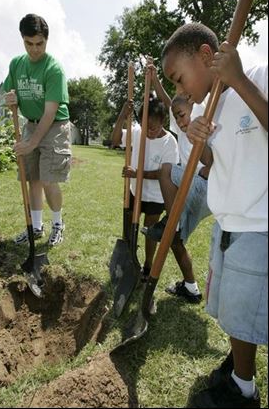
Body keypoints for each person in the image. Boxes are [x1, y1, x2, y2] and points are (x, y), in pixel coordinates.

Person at [162, 22, 267, 408]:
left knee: (245, 308)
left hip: (257, 223)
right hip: (227, 222)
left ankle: (243, 391)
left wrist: (238, 80)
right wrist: (199, 142)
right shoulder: (208, 106)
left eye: (178, 79)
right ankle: (237, 363)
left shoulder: (256, 77)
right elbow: (211, 162)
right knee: (231, 309)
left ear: (206, 57)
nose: (179, 90)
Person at [4, 14, 71, 247]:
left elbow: (50, 112)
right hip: (30, 124)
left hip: (54, 126)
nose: (34, 49)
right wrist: (9, 98)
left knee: (48, 178)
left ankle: (57, 224)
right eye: (29, 43)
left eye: (39, 43)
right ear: (23, 40)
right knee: (32, 179)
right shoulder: (16, 64)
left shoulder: (54, 69)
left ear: (46, 40)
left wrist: (32, 143)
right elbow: (9, 93)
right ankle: (36, 227)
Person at [142, 93, 211, 304]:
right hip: (199, 195)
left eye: (182, 115)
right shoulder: (183, 129)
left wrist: (207, 169)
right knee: (175, 239)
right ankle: (191, 288)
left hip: (203, 188)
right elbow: (170, 102)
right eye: (177, 118)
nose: (181, 121)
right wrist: (153, 80)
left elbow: (217, 159)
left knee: (166, 170)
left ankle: (171, 222)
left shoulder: (203, 123)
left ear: (194, 107)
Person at [112, 94, 179, 282]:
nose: (149, 131)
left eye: (154, 127)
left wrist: (138, 173)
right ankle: (129, 260)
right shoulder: (137, 131)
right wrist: (121, 117)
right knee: (129, 229)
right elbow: (115, 140)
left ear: (163, 121)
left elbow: (163, 174)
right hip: (135, 192)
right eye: (145, 126)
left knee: (150, 231)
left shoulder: (170, 142)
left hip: (156, 197)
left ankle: (148, 266)